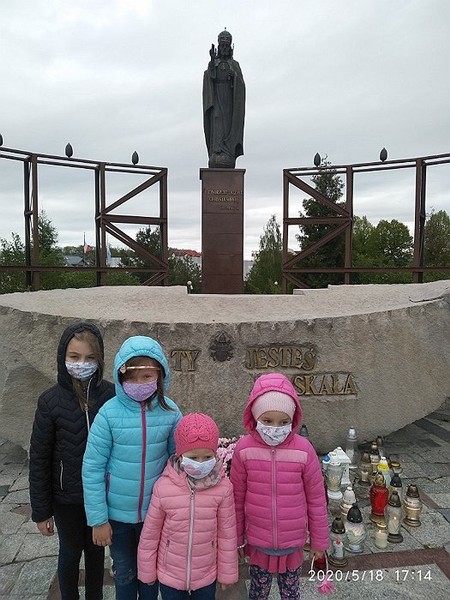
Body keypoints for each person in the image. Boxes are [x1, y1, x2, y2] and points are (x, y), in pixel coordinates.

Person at [82, 336, 182, 600]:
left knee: (151, 574)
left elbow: (178, 461)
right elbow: (92, 467)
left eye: (147, 376)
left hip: (156, 513)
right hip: (117, 517)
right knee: (124, 574)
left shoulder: (171, 412)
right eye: (132, 377)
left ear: (160, 375)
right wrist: (98, 520)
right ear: (120, 377)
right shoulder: (108, 414)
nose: (139, 384)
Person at [29, 321, 115, 600]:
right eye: (75, 357)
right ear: (63, 357)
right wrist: (41, 511)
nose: (82, 364)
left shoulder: (111, 396)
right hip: (66, 497)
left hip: (100, 493)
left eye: (90, 358)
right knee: (69, 551)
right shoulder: (50, 401)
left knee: (96, 551)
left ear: (99, 360)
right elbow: (39, 458)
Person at [230, 373, 329, 600]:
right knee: (258, 593)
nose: (275, 428)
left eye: (284, 422)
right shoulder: (244, 450)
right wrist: (236, 540)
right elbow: (236, 500)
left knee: (291, 593)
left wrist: (319, 542)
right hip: (258, 543)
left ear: (293, 420)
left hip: (292, 544)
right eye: (267, 421)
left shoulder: (304, 450)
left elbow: (316, 500)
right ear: (255, 417)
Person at [137, 413, 238, 599]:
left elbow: (227, 534)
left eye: (207, 457)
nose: (200, 463)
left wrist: (227, 573)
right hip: (170, 575)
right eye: (193, 457)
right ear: (180, 455)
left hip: (206, 575)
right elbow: (150, 534)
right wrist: (147, 571)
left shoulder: (223, 488)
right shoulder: (164, 487)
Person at [203, 29, 245, 169]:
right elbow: (209, 77)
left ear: (230, 47)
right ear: (219, 46)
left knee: (228, 124)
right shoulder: (214, 63)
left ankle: (228, 152)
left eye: (227, 46)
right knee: (217, 122)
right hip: (216, 98)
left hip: (230, 100)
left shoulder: (235, 64)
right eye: (222, 46)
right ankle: (217, 152)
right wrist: (211, 62)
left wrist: (234, 77)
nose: (225, 48)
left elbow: (241, 85)